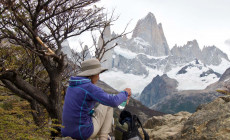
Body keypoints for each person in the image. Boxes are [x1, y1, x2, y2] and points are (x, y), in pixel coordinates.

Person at [61, 58, 132, 140]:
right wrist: (125, 93)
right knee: (108, 106)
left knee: (101, 106)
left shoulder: (73, 85)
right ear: (92, 74)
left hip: (66, 131)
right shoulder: (89, 87)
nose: (99, 77)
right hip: (83, 133)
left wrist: (120, 96)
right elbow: (113, 102)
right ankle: (104, 138)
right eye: (98, 74)